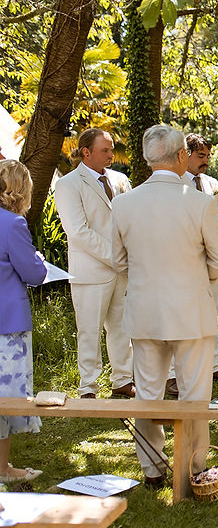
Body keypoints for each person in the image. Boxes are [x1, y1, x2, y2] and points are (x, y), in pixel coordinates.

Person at [111, 124, 218, 486]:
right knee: (195, 394)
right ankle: (195, 468)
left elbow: (118, 261)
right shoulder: (201, 202)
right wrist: (198, 275)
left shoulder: (123, 203)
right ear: (181, 155)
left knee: (148, 393)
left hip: (145, 310)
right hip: (191, 311)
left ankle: (152, 469)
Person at [54, 128, 134, 399]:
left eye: (112, 149)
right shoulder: (68, 184)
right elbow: (78, 231)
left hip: (122, 272)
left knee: (122, 328)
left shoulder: (121, 180)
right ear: (86, 152)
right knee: (89, 331)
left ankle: (123, 379)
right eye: (105, 150)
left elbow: (131, 221)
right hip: (91, 271)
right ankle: (88, 387)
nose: (112, 155)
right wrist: (116, 257)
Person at [166, 134, 218, 396]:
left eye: (208, 156)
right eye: (201, 156)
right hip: (185, 263)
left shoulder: (210, 183)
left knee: (213, 314)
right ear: (185, 155)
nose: (206, 161)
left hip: (214, 261)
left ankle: (215, 364)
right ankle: (174, 375)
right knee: (181, 318)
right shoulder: (173, 183)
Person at [0, 160, 46, 483]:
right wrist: (39, 260)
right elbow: (34, 274)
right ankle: (2, 469)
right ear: (20, 190)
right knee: (6, 400)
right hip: (8, 325)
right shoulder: (13, 225)